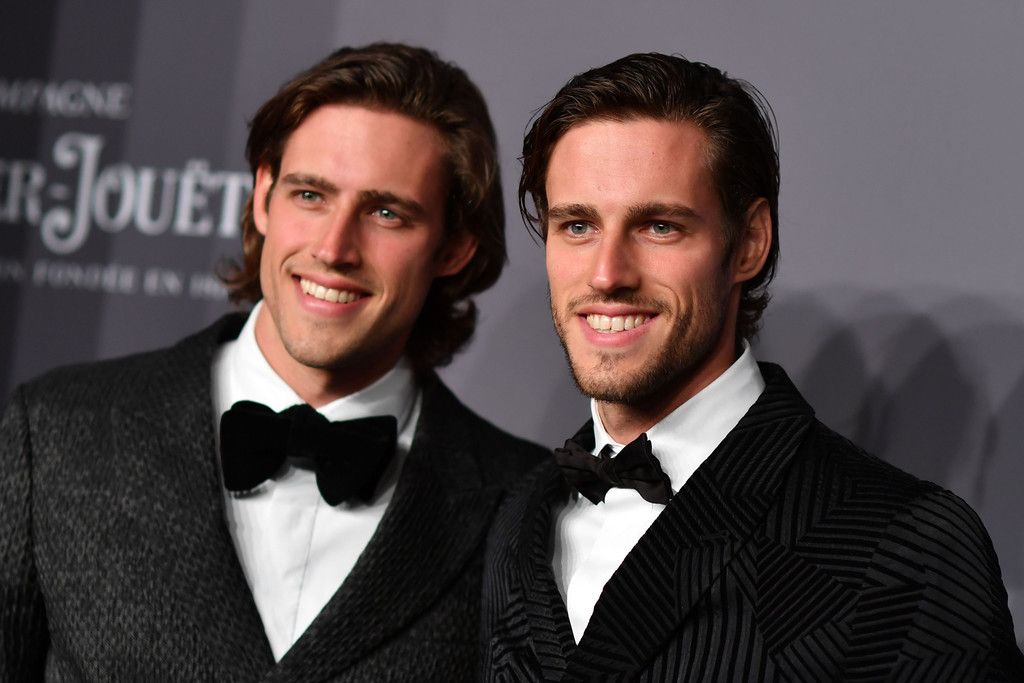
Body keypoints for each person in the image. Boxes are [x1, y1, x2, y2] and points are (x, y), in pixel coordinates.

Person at [0, 43, 546, 681]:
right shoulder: (56, 432)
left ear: (454, 247)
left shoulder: (526, 508)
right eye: (310, 195)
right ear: (263, 195)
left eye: (386, 213)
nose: (334, 248)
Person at [482, 52, 1024, 680]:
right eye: (577, 226)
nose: (607, 275)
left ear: (749, 243)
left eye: (659, 226)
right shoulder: (519, 521)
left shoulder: (908, 548)